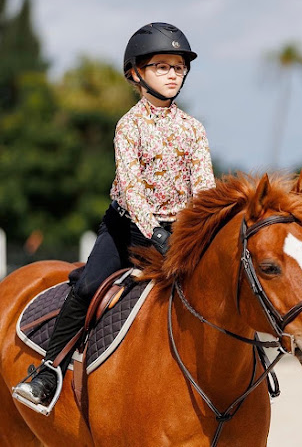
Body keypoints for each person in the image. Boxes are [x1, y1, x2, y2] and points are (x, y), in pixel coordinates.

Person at [14, 22, 216, 407]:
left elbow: (204, 188)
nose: (173, 74)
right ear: (136, 74)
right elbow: (132, 189)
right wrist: (157, 235)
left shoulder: (193, 129)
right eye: (161, 66)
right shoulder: (129, 126)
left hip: (181, 233)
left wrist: (202, 229)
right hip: (128, 230)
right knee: (89, 286)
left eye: (178, 67)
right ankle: (47, 371)